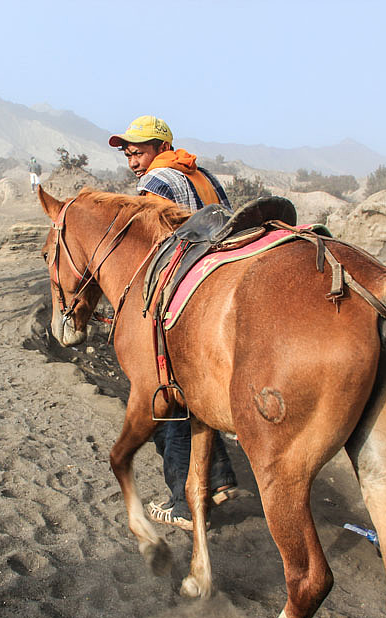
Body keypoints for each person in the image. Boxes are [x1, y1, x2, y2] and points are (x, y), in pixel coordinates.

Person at [108, 115, 241, 531]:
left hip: (181, 286)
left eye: (138, 151)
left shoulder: (155, 183)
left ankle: (181, 502)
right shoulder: (202, 175)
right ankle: (218, 479)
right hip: (216, 276)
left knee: (163, 396)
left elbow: (146, 247)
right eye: (128, 153)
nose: (133, 161)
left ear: (160, 146)